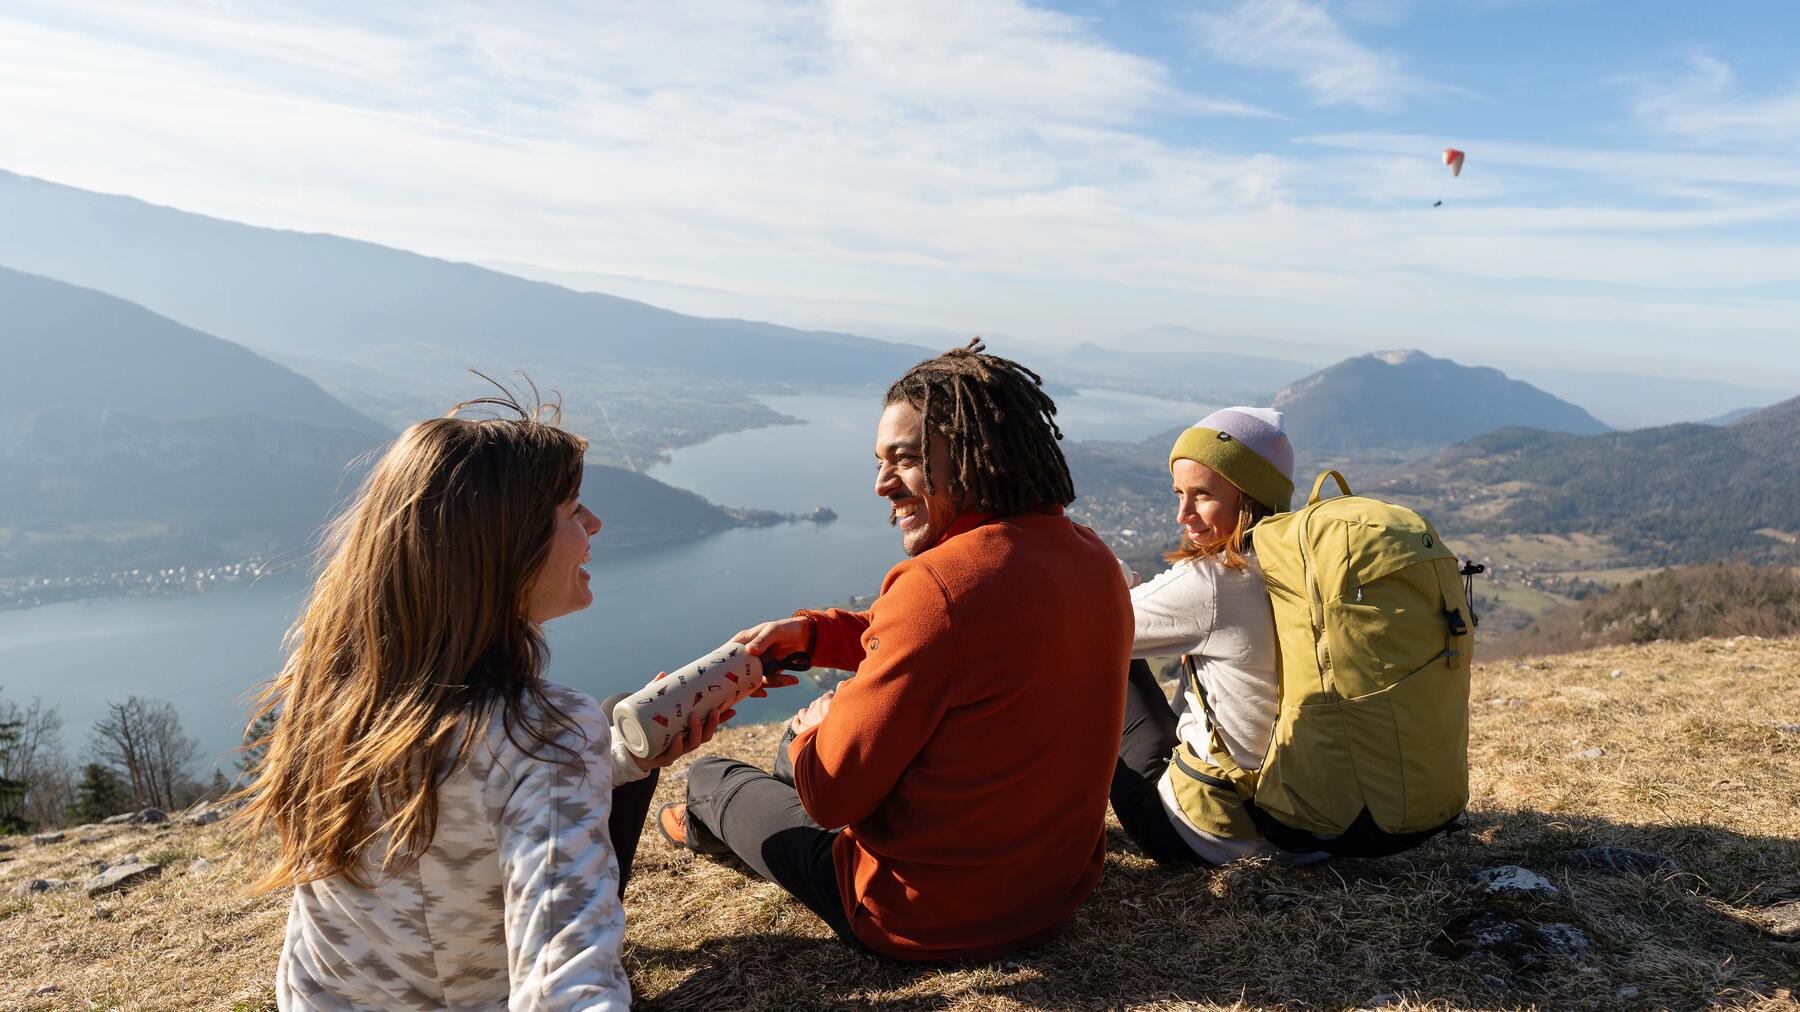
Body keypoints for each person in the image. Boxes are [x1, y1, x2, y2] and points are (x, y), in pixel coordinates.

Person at [238, 388, 758, 1010]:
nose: (593, 524)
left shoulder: (330, 685)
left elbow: (455, 798)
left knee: (617, 713)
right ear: (507, 550)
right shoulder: (541, 735)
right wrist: (575, 754)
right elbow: (566, 975)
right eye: (571, 509)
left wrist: (620, 759)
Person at [657, 340, 1134, 962]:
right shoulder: (1090, 556)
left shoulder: (938, 589)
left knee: (714, 776)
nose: (882, 484)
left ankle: (702, 817)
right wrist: (817, 635)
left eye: (904, 460)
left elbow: (831, 799)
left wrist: (813, 727)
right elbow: (952, 641)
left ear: (974, 458)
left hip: (926, 917)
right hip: (1054, 892)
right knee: (800, 757)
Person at [1109, 406, 1318, 866]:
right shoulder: (1311, 566)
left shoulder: (1217, 581)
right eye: (1179, 493)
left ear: (1250, 496)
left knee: (1107, 657)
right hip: (1311, 829)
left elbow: (1089, 623)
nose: (1184, 513)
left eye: (1202, 495)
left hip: (1207, 837)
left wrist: (1107, 568)